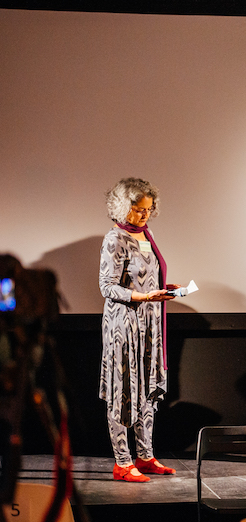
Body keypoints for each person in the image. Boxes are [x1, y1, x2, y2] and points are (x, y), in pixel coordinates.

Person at [99, 177, 177, 482]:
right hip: (124, 326)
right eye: (140, 209)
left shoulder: (147, 234)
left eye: (149, 209)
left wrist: (163, 288)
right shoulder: (114, 239)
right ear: (123, 206)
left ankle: (145, 456)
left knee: (146, 391)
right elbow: (107, 287)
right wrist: (142, 297)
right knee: (122, 391)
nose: (145, 215)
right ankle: (122, 462)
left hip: (150, 324)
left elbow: (146, 275)